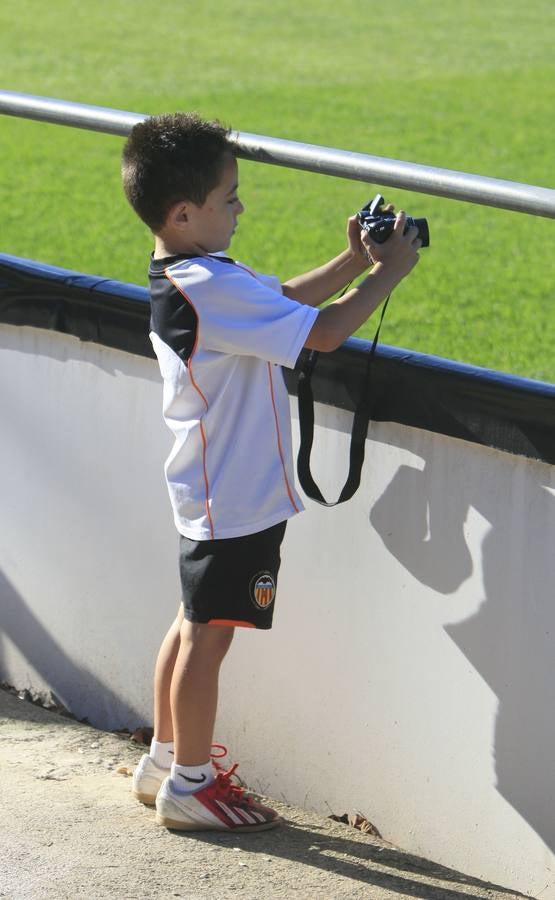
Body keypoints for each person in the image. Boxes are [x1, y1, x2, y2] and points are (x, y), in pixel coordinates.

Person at [121, 112, 421, 833]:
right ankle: (191, 786)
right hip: (233, 493)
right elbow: (319, 333)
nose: (240, 207)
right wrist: (392, 272)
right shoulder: (207, 285)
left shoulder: (197, 274)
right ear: (185, 212)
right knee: (210, 632)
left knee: (194, 621)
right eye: (230, 197)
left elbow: (281, 302)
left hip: (216, 486)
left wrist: (351, 261)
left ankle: (165, 762)